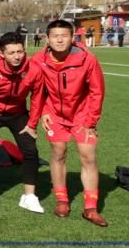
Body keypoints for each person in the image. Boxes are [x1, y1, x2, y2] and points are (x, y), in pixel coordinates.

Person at [31, 20, 107, 227]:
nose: (59, 39)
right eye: (55, 35)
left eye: (64, 35)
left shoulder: (87, 59)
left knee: (88, 155)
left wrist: (90, 120)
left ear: (72, 38)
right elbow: (38, 90)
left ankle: (90, 208)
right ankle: (62, 200)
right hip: (55, 114)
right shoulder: (39, 60)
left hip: (82, 115)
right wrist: (44, 111)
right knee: (58, 152)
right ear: (47, 39)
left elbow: (96, 91)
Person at [0, 31, 46, 215]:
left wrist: (32, 124)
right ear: (1, 54)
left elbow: (38, 97)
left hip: (17, 113)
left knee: (30, 151)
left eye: (20, 51)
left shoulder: (34, 69)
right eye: (11, 53)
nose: (17, 56)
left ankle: (29, 196)